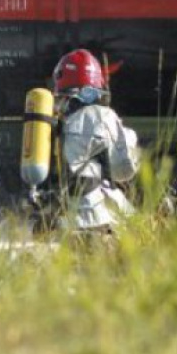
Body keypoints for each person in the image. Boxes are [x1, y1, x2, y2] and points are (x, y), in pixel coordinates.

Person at [52, 48, 139, 232]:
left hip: (60, 217)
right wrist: (130, 139)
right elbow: (124, 170)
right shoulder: (102, 116)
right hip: (97, 218)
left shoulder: (55, 121)